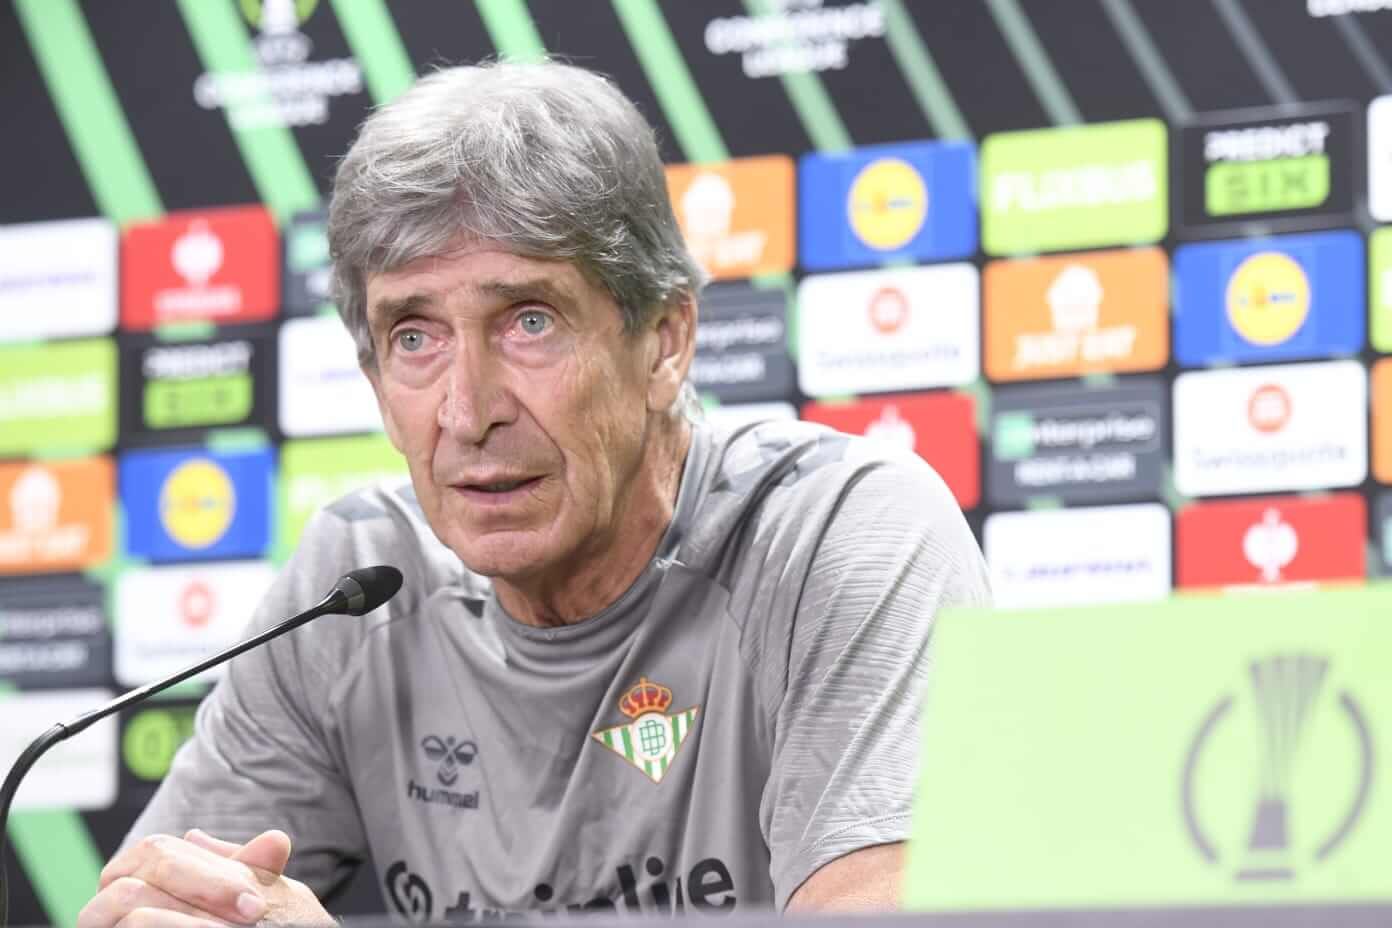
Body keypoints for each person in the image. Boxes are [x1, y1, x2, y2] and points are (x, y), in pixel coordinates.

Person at [79, 60, 990, 926]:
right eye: (414, 337)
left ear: (665, 341)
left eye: (529, 321)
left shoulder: (842, 535)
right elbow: (165, 903)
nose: (467, 413)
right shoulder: (358, 584)